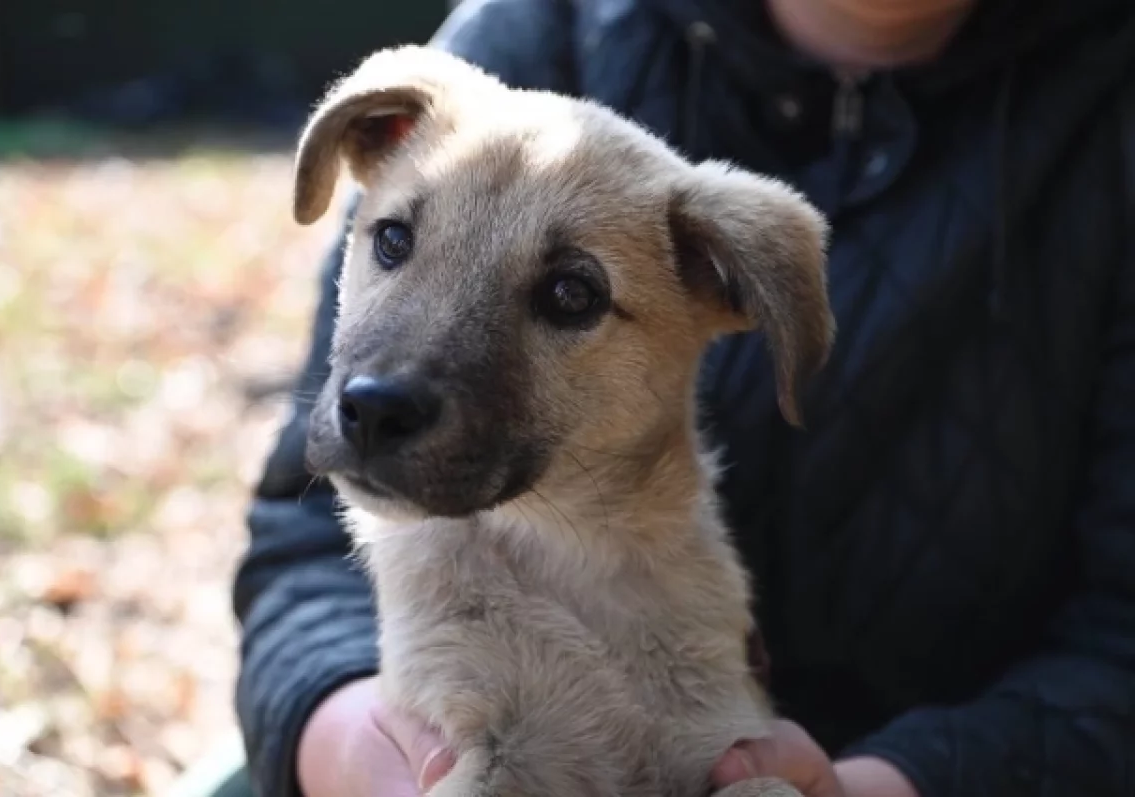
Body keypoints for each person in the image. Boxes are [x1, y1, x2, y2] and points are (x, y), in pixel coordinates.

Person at [229, 0, 1135, 795]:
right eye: (392, 241)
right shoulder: (538, 35)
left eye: (567, 296)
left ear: (735, 291)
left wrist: (894, 784)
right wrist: (350, 746)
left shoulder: (1108, 113)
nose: (391, 387)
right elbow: (303, 551)